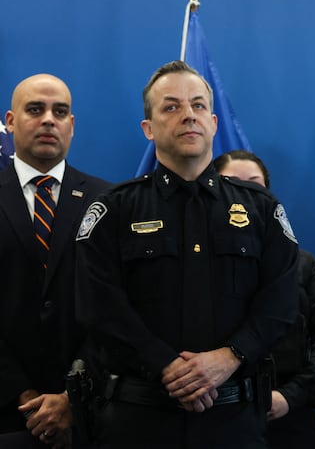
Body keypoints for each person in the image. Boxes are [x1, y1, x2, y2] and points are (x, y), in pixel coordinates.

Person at [74, 61, 299, 448]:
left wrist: (229, 357)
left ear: (213, 122)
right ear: (148, 128)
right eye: (171, 106)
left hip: (234, 423)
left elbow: (281, 302)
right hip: (137, 423)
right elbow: (98, 305)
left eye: (197, 106)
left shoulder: (261, 209)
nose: (188, 116)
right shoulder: (114, 209)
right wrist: (164, 364)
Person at [214, 149, 315, 449]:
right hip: (211, 417)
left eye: (254, 183)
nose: (245, 191)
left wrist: (292, 395)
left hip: (287, 418)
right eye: (232, 182)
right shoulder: (192, 267)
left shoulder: (300, 266)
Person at [0, 74, 109, 447]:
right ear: (10, 121)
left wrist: (72, 397)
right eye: (35, 109)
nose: (49, 119)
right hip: (6, 412)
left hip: (93, 413)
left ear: (72, 125)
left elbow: (120, 308)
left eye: (60, 111)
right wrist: (21, 394)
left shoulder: (110, 201)